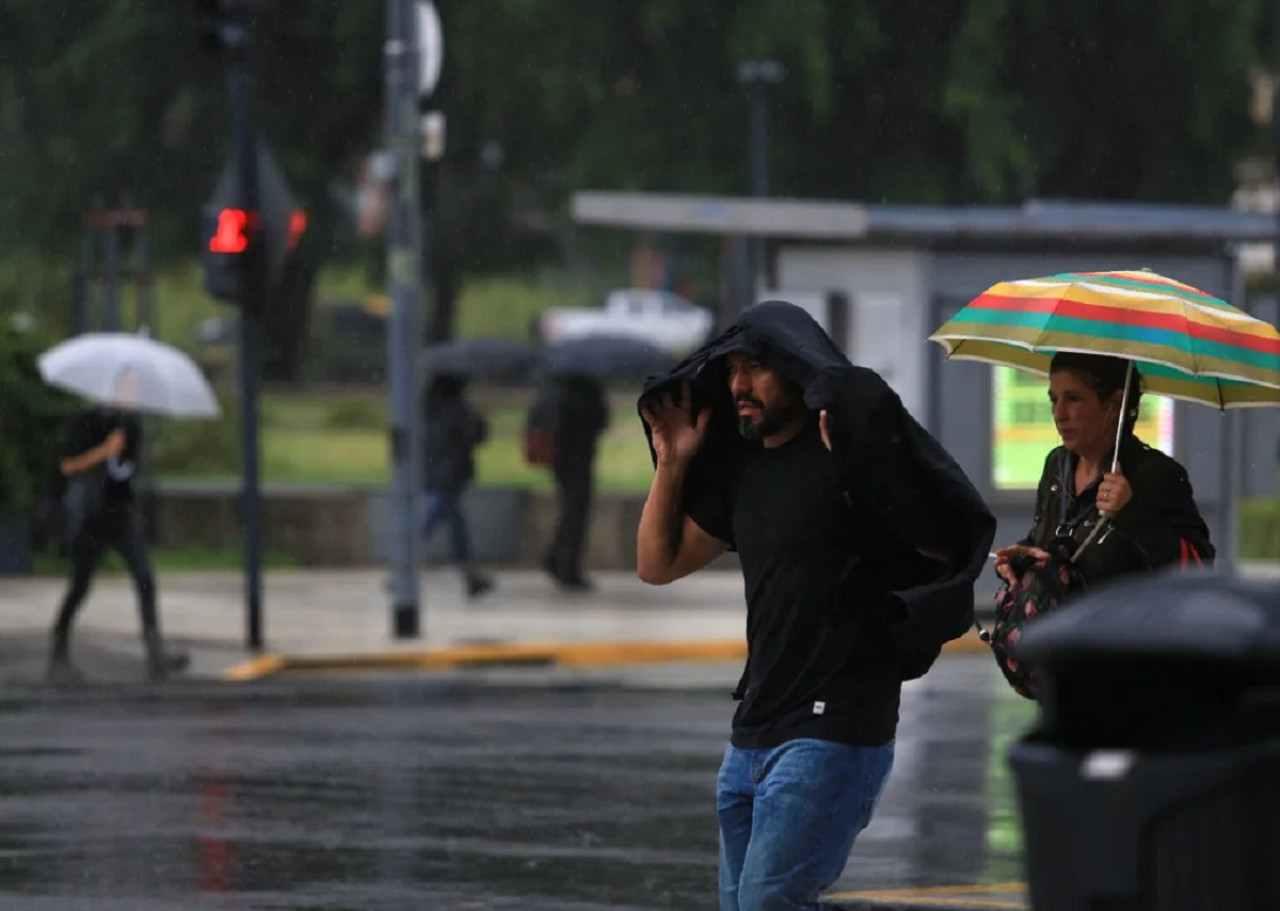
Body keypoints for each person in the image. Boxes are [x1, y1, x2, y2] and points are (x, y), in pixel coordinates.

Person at [635, 301, 995, 911]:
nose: (739, 385)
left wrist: (867, 467)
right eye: (732, 371)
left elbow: (940, 541)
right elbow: (656, 564)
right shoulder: (744, 471)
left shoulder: (847, 455)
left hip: (835, 729)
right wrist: (672, 462)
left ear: (796, 372)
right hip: (752, 735)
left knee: (766, 905)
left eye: (756, 369)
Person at [994, 352, 1213, 594]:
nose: (1059, 415)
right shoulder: (1057, 465)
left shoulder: (1155, 474)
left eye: (1073, 399)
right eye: (1054, 400)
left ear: (1114, 405)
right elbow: (1048, 545)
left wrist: (1131, 514)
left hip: (1120, 628)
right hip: (1058, 628)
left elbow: (1199, 568)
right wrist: (1020, 559)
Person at [49, 369, 188, 683]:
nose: (133, 396)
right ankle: (58, 649)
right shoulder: (91, 422)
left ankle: (155, 652)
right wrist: (103, 451)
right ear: (112, 390)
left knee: (144, 578)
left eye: (136, 390)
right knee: (80, 586)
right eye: (128, 389)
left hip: (121, 517)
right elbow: (67, 465)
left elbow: (125, 474)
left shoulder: (133, 426)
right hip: (91, 518)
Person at [529, 373, 609, 591]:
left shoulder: (552, 389)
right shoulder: (587, 392)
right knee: (575, 513)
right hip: (579, 459)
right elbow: (600, 421)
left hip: (561, 459)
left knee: (569, 510)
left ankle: (556, 557)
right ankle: (565, 565)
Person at [421, 373, 492, 598]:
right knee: (429, 521)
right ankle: (402, 568)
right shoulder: (458, 410)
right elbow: (476, 435)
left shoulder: (425, 409)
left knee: (457, 527)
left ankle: (471, 577)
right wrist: (480, 417)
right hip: (451, 475)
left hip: (431, 472)